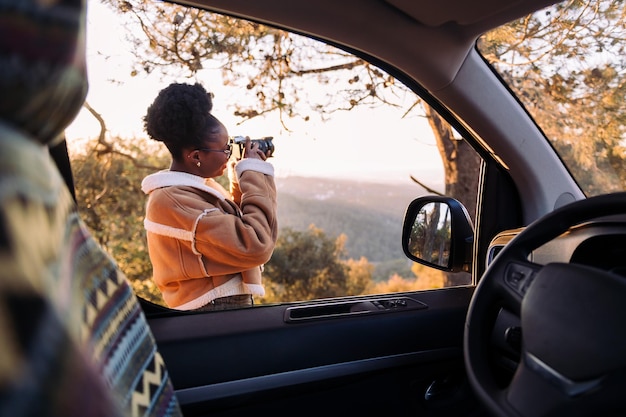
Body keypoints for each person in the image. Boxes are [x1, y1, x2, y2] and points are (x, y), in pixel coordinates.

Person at [141, 82, 278, 311]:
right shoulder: (173, 201)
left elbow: (235, 223)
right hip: (215, 308)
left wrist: (241, 172)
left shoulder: (193, 189)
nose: (228, 154)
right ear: (196, 156)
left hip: (221, 304)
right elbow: (255, 243)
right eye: (224, 149)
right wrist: (254, 172)